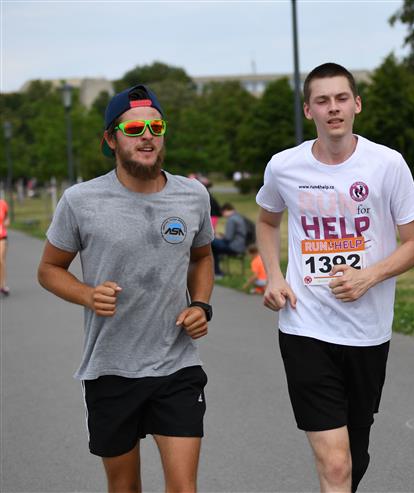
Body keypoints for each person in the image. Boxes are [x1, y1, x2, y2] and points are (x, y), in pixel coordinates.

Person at [256, 62, 414, 492]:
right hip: (305, 327)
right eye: (322, 101)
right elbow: (267, 221)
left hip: (367, 332)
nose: (333, 108)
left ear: (357, 104)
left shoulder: (387, 164)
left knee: (355, 457)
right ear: (308, 110)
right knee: (334, 463)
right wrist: (274, 276)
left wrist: (369, 276)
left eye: (341, 98)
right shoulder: (284, 166)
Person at [37, 84, 214, 492]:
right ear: (111, 139)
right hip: (110, 368)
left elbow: (202, 257)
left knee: (184, 488)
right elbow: (48, 269)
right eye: (134, 129)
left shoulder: (192, 195)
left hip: (176, 365)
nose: (147, 136)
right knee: (125, 487)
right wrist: (87, 294)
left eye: (156, 127)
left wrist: (201, 305)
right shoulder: (80, 200)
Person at [210, 202, 249, 278]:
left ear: (226, 210)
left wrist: (219, 237)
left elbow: (228, 238)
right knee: (215, 248)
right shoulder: (238, 217)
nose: (223, 216)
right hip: (241, 246)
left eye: (223, 213)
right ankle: (217, 271)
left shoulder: (231, 219)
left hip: (234, 247)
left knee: (212, 243)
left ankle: (217, 272)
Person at [0, 197, 8, 295]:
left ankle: (3, 285)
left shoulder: (2, 204)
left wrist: (6, 222)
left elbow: (6, 218)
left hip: (2, 236)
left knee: (1, 260)